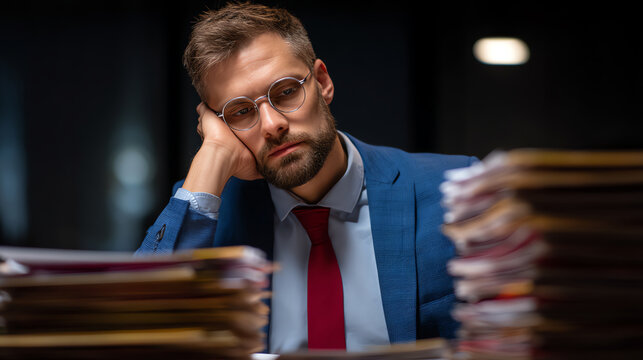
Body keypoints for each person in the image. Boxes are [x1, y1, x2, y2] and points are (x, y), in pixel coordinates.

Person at [136, 1, 476, 354]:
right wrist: (214, 154)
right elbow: (135, 333)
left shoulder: (457, 189)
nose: (271, 125)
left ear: (323, 82)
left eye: (285, 92)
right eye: (241, 112)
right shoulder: (207, 215)